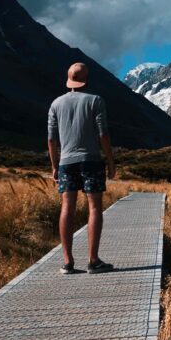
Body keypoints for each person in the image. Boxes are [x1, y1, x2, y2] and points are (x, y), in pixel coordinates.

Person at [47, 62, 117, 274]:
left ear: (69, 80)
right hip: (92, 160)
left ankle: (68, 262)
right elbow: (102, 134)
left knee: (67, 207)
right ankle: (93, 261)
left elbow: (51, 139)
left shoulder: (56, 104)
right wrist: (111, 160)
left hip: (66, 162)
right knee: (94, 207)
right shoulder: (96, 101)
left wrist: (54, 166)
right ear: (87, 79)